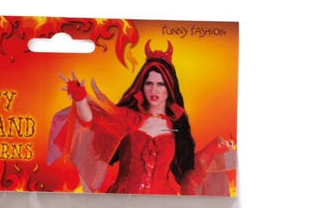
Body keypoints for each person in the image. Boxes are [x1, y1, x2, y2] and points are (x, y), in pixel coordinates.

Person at [51, 40, 232, 195]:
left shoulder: (176, 124)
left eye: (160, 84)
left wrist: (214, 147)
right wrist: (80, 99)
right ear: (142, 86)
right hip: (124, 200)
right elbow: (91, 121)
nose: (154, 89)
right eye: (149, 83)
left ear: (169, 88)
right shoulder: (128, 117)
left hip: (161, 203)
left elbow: (189, 168)